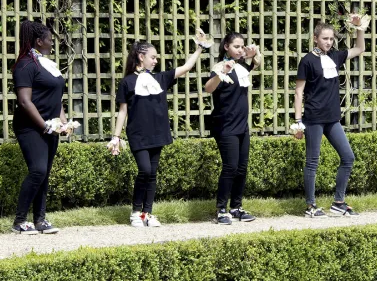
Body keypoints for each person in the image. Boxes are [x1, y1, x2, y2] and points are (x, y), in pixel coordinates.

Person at [108, 30, 209, 226]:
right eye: (153, 57)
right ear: (141, 57)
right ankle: (136, 212)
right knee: (144, 170)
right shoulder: (127, 82)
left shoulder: (161, 78)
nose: (156, 61)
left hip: (158, 133)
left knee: (152, 174)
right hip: (138, 134)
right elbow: (122, 111)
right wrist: (116, 137)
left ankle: (148, 213)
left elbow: (186, 67)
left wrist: (199, 48)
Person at [293, 15, 367, 218]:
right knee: (313, 161)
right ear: (315, 38)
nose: (328, 42)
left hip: (332, 119)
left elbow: (360, 49)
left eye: (331, 38)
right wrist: (297, 122)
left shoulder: (335, 56)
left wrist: (359, 27)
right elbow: (299, 92)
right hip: (314, 118)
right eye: (325, 38)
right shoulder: (307, 61)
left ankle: (338, 202)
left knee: (348, 157)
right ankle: (310, 206)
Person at [11, 20, 73, 234]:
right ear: (39, 41)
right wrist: (44, 126)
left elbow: (57, 99)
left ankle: (40, 220)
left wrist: (63, 123)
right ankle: (19, 221)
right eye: (49, 39)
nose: (52, 43)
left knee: (44, 173)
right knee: (37, 170)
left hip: (51, 127)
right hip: (30, 127)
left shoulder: (47, 63)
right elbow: (25, 101)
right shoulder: (26, 64)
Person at [204, 31, 262, 224]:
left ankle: (236, 207)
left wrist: (254, 53)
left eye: (242, 46)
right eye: (236, 46)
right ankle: (221, 210)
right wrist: (223, 73)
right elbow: (208, 88)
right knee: (230, 167)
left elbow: (258, 63)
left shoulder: (241, 66)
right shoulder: (220, 66)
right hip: (225, 124)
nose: (240, 49)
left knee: (242, 168)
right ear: (226, 47)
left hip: (241, 125)